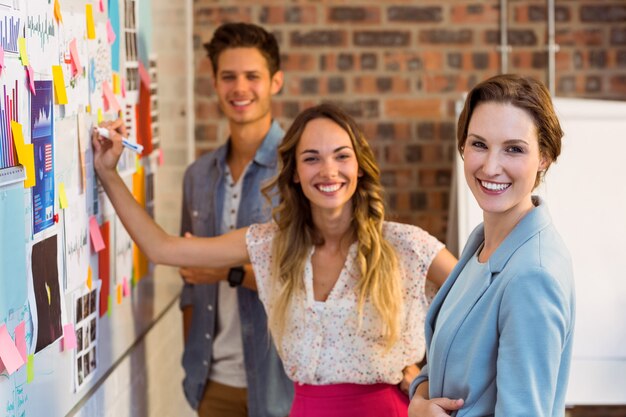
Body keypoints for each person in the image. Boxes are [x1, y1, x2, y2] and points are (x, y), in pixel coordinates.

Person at [92, 103, 457, 417]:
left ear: (360, 166)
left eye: (342, 156)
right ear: (295, 174)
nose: (328, 171)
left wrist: (428, 381)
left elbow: (485, 303)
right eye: (312, 158)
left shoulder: (406, 245)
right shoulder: (272, 245)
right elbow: (162, 249)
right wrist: (108, 173)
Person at [408, 74, 575, 417]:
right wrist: (420, 403)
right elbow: (440, 366)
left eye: (513, 149)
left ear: (544, 157)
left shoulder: (532, 275)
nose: (490, 166)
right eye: (479, 144)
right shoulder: (481, 245)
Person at [177, 23, 292, 417]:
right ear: (214, 82)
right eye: (228, 76)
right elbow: (189, 285)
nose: (239, 88)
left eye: (252, 76)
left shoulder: (300, 170)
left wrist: (225, 271)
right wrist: (194, 368)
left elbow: (310, 279)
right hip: (213, 384)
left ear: (276, 81)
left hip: (285, 384)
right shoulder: (197, 176)